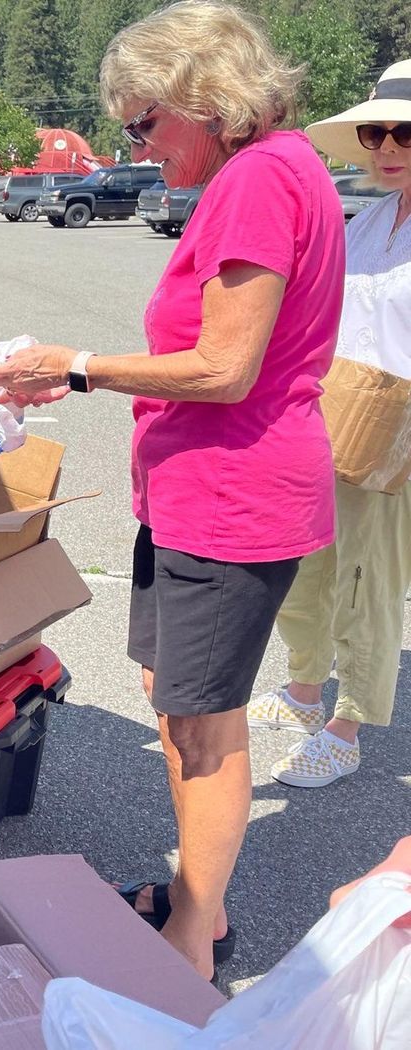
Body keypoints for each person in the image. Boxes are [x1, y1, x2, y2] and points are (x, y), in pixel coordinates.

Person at [0, 0, 344, 980]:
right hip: (200, 491)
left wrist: (78, 363)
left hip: (232, 494)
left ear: (207, 100)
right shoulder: (273, 166)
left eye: (143, 123)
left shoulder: (256, 181)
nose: (133, 144)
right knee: (173, 700)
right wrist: (75, 373)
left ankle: (192, 939)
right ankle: (190, 899)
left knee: (203, 726)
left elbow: (223, 367)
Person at [247, 60, 411, 789]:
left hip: (398, 430)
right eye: (374, 131)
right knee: (307, 560)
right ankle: (306, 687)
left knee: (369, 578)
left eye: (403, 132)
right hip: (332, 406)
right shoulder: (373, 216)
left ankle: (351, 723)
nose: (385, 147)